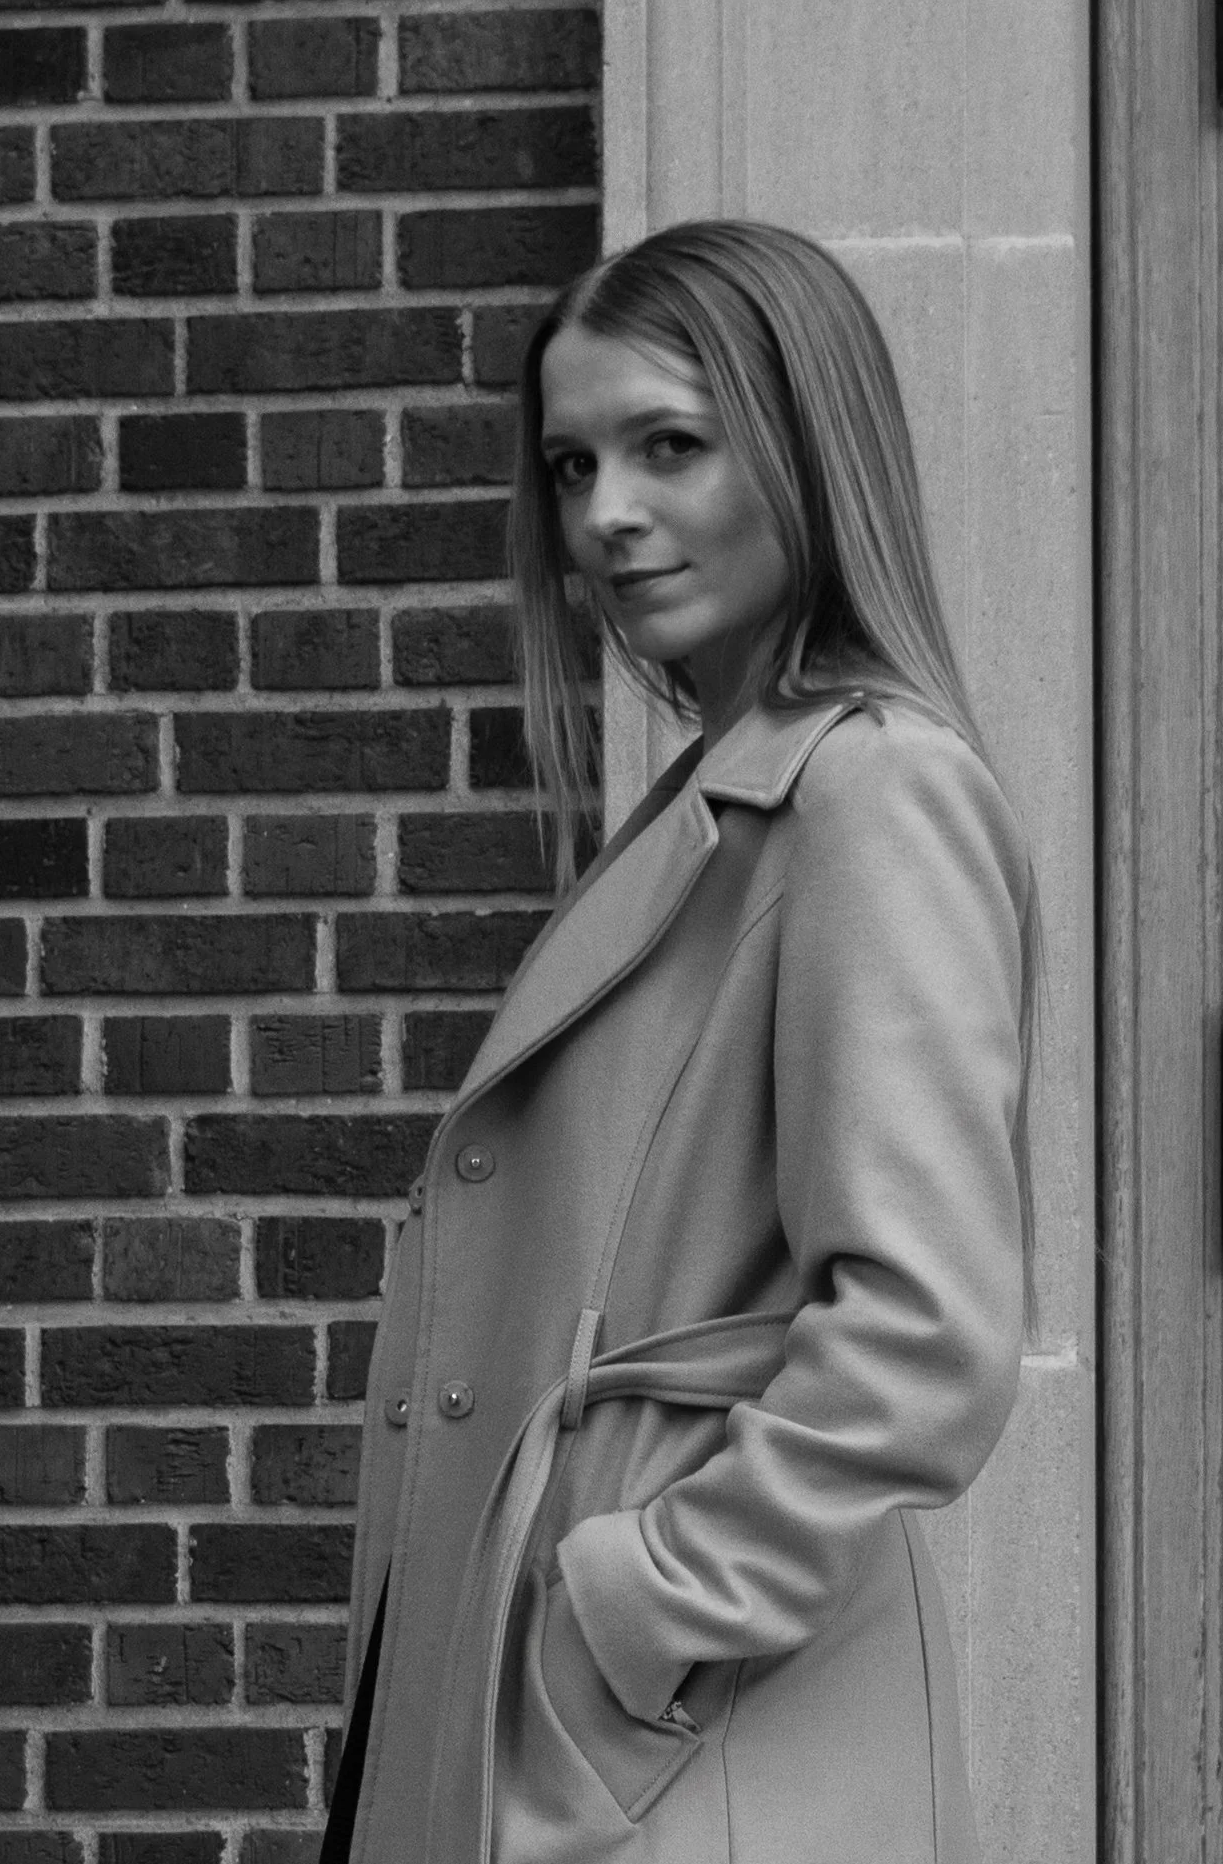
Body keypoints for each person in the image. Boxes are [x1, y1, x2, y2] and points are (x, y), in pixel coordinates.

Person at [322, 219, 1038, 1864]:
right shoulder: (733, 789)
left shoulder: (869, 792)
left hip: (682, 1744)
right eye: (573, 465)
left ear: (803, 446)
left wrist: (626, 1628)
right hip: (625, 1717)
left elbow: (922, 1337)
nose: (607, 518)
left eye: (669, 446)